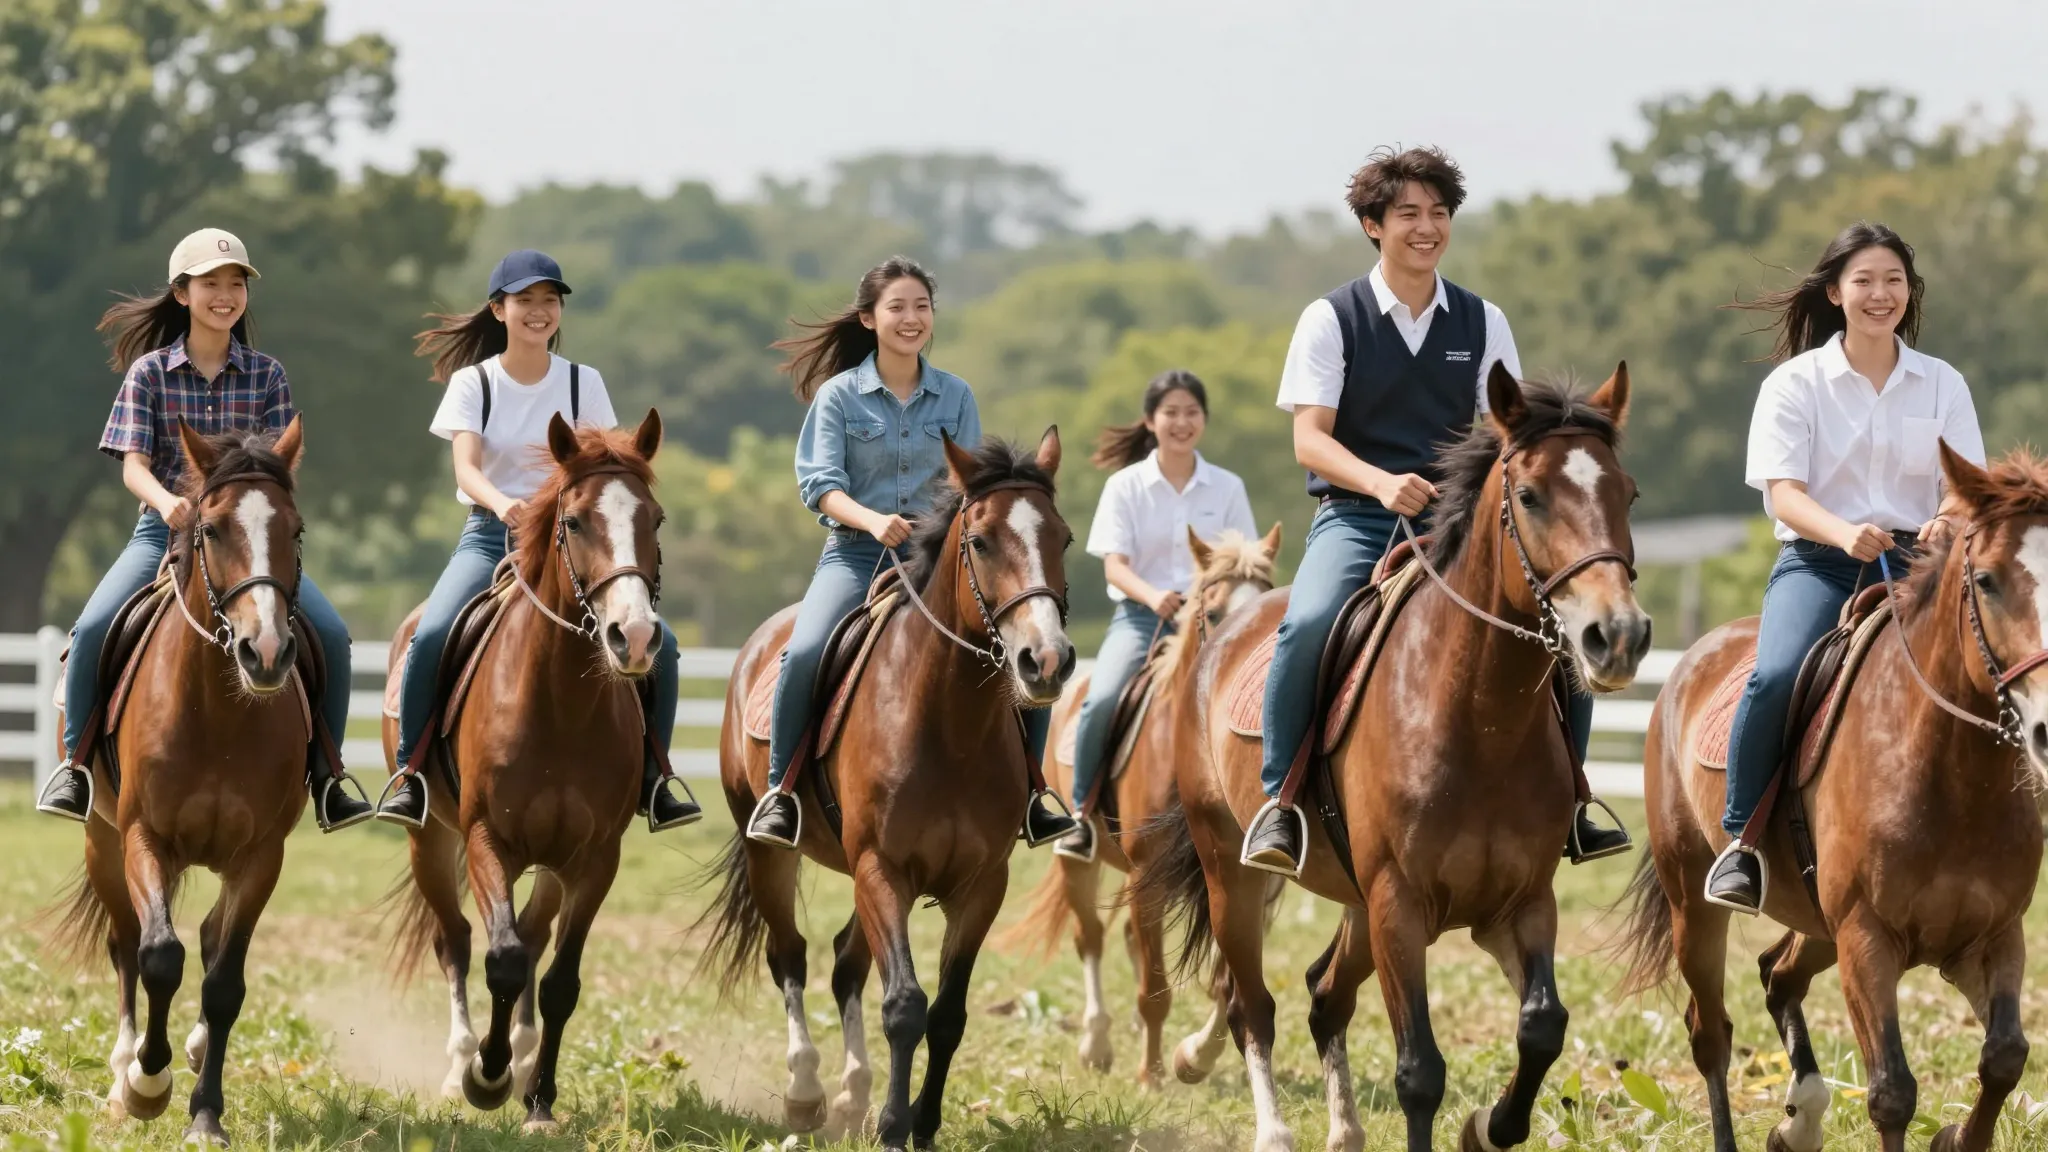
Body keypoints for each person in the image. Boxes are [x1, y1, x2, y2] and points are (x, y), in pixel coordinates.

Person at [1239, 146, 1633, 876]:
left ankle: (1574, 802)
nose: (1427, 228)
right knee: (1307, 623)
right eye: (1409, 214)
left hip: (1459, 527)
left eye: (1440, 214)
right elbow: (1308, 440)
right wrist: (1381, 483)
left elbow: (1509, 434)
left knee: (1557, 632)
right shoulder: (1331, 318)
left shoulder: (1483, 321)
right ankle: (1280, 802)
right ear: (1372, 225)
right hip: (1358, 518)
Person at [35, 229, 371, 831]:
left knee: (332, 634)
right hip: (162, 533)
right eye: (210, 283)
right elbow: (133, 466)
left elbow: (278, 468)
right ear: (181, 293)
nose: (225, 295)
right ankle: (76, 768)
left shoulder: (267, 375)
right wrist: (169, 502)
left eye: (236, 283)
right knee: (91, 627)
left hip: (244, 543)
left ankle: (328, 775)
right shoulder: (149, 373)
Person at [744, 255, 1078, 849]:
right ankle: (782, 793)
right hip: (856, 554)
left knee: (1030, 647)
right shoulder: (839, 396)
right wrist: (873, 521)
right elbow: (819, 485)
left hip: (941, 562)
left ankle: (1033, 793)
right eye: (897, 307)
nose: (911, 318)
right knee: (806, 651)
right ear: (869, 319)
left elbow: (973, 488)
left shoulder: (957, 394)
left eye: (921, 306)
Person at [1704, 221, 1983, 913]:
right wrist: (1845, 532)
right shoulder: (1794, 384)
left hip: (1923, 567)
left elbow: (1963, 487)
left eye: (1894, 281)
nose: (1880, 294)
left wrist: (1946, 519)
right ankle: (1740, 841)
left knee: (2002, 659)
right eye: (1864, 281)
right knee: (1775, 675)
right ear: (1834, 292)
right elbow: (1785, 495)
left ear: (1909, 292)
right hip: (1821, 563)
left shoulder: (1943, 383)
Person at [378, 249, 699, 831]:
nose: (539, 311)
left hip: (575, 542)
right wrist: (505, 504)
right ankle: (411, 773)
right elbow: (466, 469)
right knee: (432, 632)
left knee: (665, 645)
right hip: (492, 536)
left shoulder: (582, 382)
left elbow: (605, 466)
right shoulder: (474, 382)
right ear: (498, 310)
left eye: (550, 300)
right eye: (525, 300)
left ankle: (656, 777)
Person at [1052, 370, 1256, 862]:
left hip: (1213, 625)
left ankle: (1264, 810)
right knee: (1100, 699)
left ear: (1204, 419)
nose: (1182, 422)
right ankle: (1080, 816)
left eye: (1192, 412)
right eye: (1171, 413)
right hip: (1142, 620)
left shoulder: (1227, 487)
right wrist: (1154, 595)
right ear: (1150, 421)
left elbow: (1247, 560)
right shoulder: (1125, 486)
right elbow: (1115, 566)